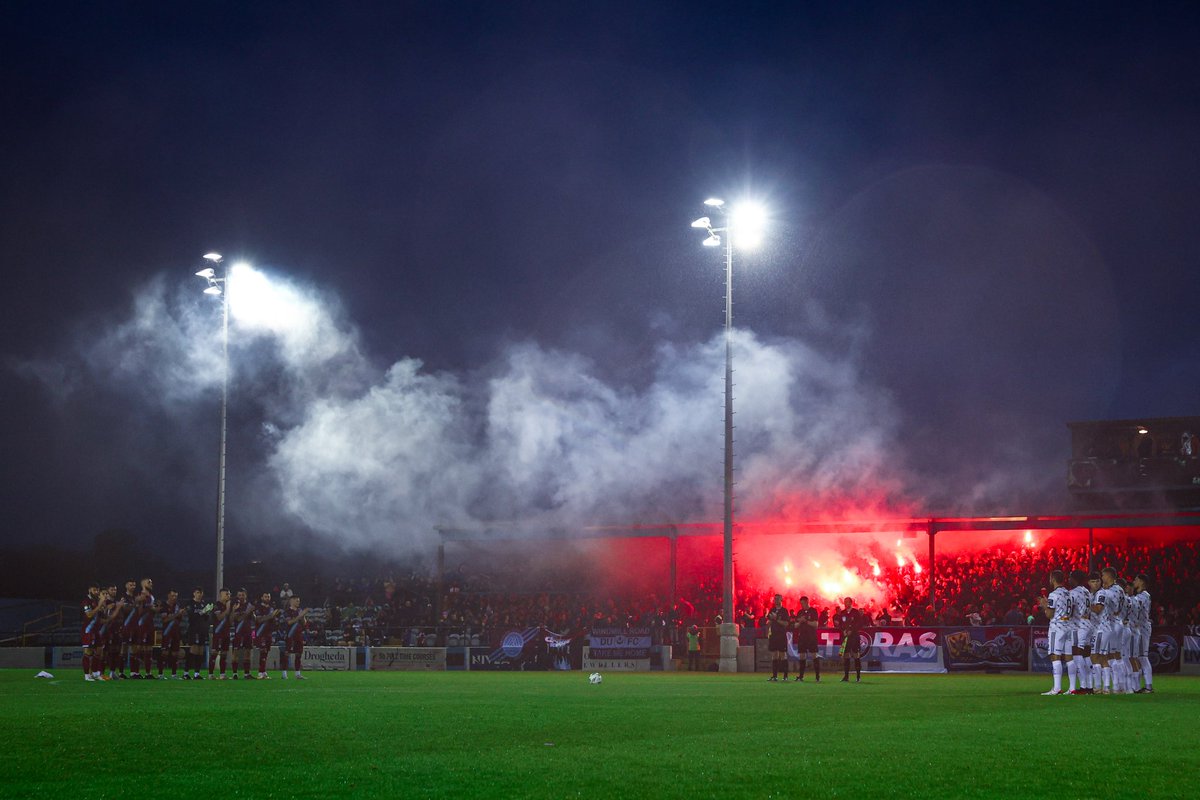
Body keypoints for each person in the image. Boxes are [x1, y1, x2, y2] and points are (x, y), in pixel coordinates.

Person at [1037, 570, 1075, 695]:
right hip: (1069, 626)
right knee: (1069, 657)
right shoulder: (1068, 593)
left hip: (1057, 628)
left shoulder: (1054, 594)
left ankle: (1057, 688)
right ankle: (1072, 688)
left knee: (1055, 656)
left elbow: (1050, 614)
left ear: (1053, 579)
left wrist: (1044, 605)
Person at [1068, 570, 1094, 695]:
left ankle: (1083, 686)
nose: (1069, 580)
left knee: (1076, 654)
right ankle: (1090, 685)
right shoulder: (1087, 591)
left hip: (1079, 626)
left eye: (1070, 578)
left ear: (1074, 579)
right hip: (1089, 624)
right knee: (1086, 655)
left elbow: (1070, 610)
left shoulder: (1073, 593)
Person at [833, 597, 866, 682]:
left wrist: (852, 630)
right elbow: (840, 625)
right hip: (845, 637)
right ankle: (846, 676)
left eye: (847, 602)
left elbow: (860, 624)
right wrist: (843, 631)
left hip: (854, 636)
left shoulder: (855, 612)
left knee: (856, 655)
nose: (845, 603)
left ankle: (858, 677)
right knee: (846, 655)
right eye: (844, 602)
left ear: (851, 603)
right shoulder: (842, 613)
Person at [1131, 573, 1154, 693]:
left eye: (1136, 579)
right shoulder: (1140, 595)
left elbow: (1136, 608)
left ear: (1141, 582)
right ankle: (1138, 686)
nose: (1134, 581)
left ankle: (1148, 686)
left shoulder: (1144, 596)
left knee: (1143, 657)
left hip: (1142, 628)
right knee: (1138, 657)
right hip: (1140, 627)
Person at [253, 591, 281, 679]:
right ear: (262, 598)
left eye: (268, 597)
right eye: (265, 597)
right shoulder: (258, 607)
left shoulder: (272, 607)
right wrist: (271, 616)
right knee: (263, 651)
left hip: (269, 632)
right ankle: (260, 672)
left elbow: (273, 620)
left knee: (266, 652)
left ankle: (263, 671)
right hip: (261, 632)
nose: (267, 598)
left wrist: (275, 619)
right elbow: (258, 620)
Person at [156, 590, 184, 679]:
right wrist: (177, 614)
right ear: (168, 596)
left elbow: (179, 619)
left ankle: (174, 674)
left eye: (176, 596)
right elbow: (165, 619)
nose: (174, 598)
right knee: (164, 652)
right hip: (167, 632)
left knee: (175, 653)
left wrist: (180, 615)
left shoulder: (177, 606)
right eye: (172, 596)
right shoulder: (164, 606)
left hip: (176, 631)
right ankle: (160, 674)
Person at [184, 587, 210, 680]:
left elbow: (206, 618)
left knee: (200, 651)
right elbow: (191, 616)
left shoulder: (203, 604)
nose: (199, 594)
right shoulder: (190, 604)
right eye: (198, 592)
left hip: (202, 630)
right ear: (194, 593)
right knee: (193, 650)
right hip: (194, 630)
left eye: (201, 593)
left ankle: (196, 674)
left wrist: (206, 613)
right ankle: (186, 673)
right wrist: (202, 612)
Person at [793, 596, 820, 682]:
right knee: (802, 656)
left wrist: (806, 621)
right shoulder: (800, 612)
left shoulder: (813, 611)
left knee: (814, 655)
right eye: (801, 604)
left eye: (803, 603)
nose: (802, 605)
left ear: (807, 602)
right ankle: (801, 676)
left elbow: (816, 624)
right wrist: (800, 621)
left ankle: (817, 677)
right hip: (802, 637)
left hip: (811, 636)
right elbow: (795, 625)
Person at [208, 588, 234, 679]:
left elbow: (230, 621)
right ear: (221, 595)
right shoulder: (216, 605)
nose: (228, 596)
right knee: (215, 653)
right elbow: (219, 617)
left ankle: (222, 674)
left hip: (226, 632)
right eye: (226, 594)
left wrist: (233, 611)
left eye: (229, 594)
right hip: (218, 632)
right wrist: (227, 609)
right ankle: (210, 674)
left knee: (224, 654)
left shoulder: (229, 606)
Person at [281, 595, 308, 680]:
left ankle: (297, 673)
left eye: (299, 601)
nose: (298, 602)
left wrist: (303, 616)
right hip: (290, 635)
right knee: (287, 654)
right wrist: (300, 616)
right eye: (297, 600)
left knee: (299, 654)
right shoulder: (287, 612)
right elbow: (289, 622)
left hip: (299, 635)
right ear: (291, 601)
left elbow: (304, 623)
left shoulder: (299, 611)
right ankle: (284, 673)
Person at [765, 594, 790, 681]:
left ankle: (785, 676)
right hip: (773, 635)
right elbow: (769, 622)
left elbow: (786, 623)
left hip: (781, 635)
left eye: (777, 599)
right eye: (775, 599)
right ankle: (774, 676)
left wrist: (776, 619)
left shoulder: (784, 611)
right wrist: (768, 626)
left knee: (783, 654)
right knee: (774, 655)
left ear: (781, 600)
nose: (776, 600)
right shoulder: (772, 610)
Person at [230, 588, 254, 680]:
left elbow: (254, 619)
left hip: (248, 632)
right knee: (235, 652)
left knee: (247, 652)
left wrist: (252, 613)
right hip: (238, 632)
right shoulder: (235, 605)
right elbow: (234, 620)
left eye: (242, 595)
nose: (241, 597)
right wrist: (246, 612)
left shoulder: (249, 605)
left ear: (246, 596)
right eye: (239, 595)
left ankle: (246, 674)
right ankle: (235, 674)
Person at [81, 583, 102, 682]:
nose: (96, 592)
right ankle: (86, 675)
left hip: (96, 629)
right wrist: (100, 605)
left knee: (98, 651)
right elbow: (89, 614)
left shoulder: (96, 601)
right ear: (89, 589)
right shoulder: (86, 601)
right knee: (88, 652)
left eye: (98, 590)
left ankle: (95, 673)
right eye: (94, 590)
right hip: (88, 630)